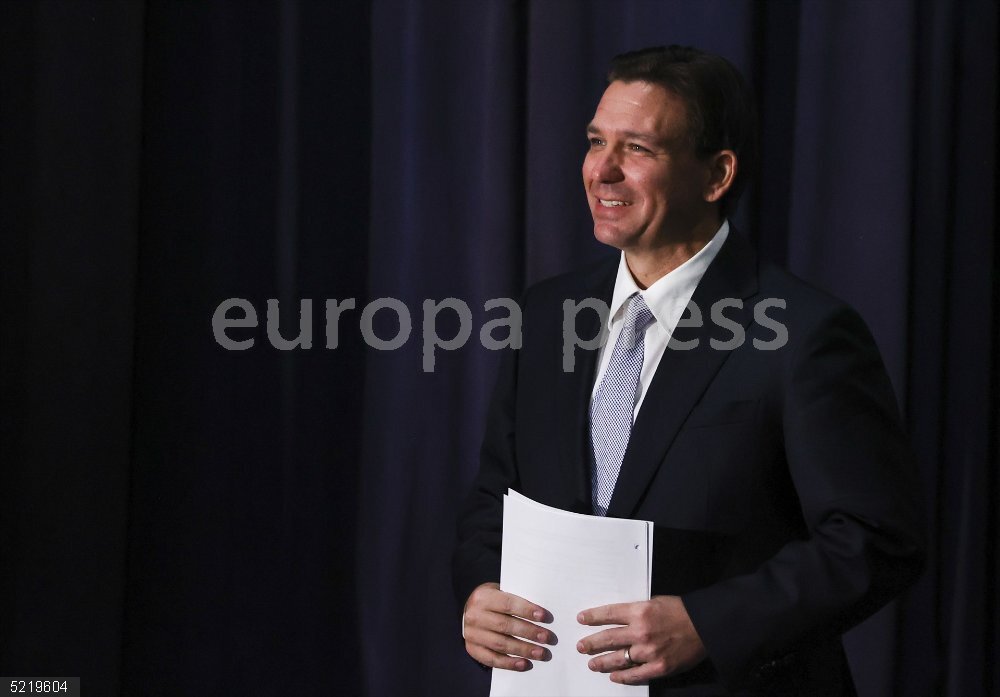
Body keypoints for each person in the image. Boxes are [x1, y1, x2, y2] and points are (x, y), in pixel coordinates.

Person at [452, 45, 925, 696]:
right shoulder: (546, 314)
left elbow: (876, 539)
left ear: (716, 174)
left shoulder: (805, 332)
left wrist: (710, 624)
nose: (602, 171)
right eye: (596, 142)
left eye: (638, 149)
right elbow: (494, 500)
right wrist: (480, 589)